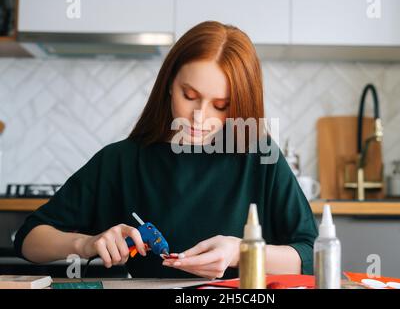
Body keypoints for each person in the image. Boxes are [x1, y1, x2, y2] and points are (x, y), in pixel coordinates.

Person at [14, 21, 318, 279]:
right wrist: (86, 244)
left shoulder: (259, 156)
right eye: (190, 95)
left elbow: (310, 254)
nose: (200, 117)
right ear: (169, 85)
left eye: (220, 106)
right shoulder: (121, 161)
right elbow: (29, 239)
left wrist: (241, 253)